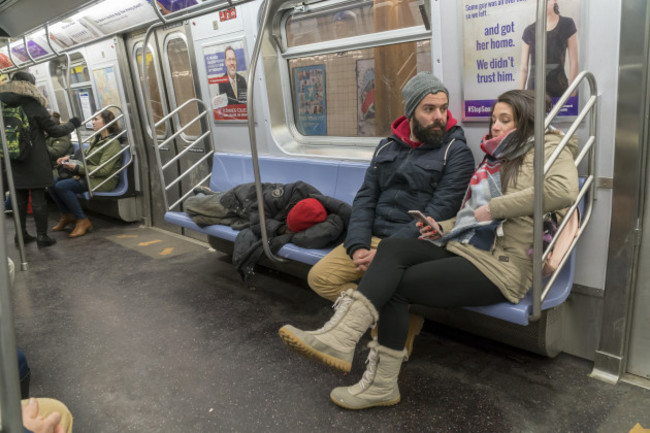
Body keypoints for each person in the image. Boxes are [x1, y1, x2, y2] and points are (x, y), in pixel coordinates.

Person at [279, 89, 579, 409]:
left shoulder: (549, 147)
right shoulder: (500, 157)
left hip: (501, 266)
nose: (494, 127)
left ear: (528, 120)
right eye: (493, 119)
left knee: (395, 287)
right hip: (468, 248)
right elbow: (472, 216)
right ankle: (341, 336)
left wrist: (495, 208)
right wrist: (442, 228)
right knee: (394, 247)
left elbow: (562, 191)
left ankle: (376, 380)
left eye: (505, 120)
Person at [306, 72, 475, 355]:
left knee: (389, 282)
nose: (439, 117)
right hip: (371, 237)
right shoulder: (386, 146)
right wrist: (358, 244)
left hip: (412, 245)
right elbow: (365, 198)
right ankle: (398, 318)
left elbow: (438, 211)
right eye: (429, 109)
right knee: (320, 278)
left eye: (443, 109)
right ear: (410, 112)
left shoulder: (456, 153)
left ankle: (377, 327)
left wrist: (386, 252)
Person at [0, 71, 81, 247]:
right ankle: (42, 236)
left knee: (19, 199)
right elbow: (56, 131)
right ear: (30, 85)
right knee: (38, 199)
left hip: (11, 157)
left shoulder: (3, 103)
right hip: (34, 158)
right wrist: (73, 123)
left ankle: (20, 236)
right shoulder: (33, 105)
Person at [49, 109, 122, 238]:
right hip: (90, 175)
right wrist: (69, 159)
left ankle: (82, 220)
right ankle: (67, 215)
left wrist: (77, 168)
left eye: (96, 119)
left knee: (62, 186)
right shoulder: (97, 138)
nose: (93, 122)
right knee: (52, 183)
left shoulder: (112, 143)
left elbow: (103, 170)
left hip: (104, 180)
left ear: (106, 123)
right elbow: (84, 157)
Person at [519, 0, 578, 97]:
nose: (545, 3)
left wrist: (572, 93)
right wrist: (519, 98)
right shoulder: (529, 31)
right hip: (534, 90)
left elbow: (574, 62)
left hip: (559, 88)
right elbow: (523, 68)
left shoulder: (567, 24)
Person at [45, 111, 73, 178]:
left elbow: (55, 153)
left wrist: (40, 143)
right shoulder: (47, 135)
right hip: (48, 166)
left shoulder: (62, 136)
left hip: (59, 168)